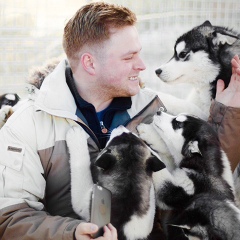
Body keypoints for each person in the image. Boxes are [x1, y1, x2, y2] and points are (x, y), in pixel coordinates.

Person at [0, 2, 240, 240]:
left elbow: (202, 183)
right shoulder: (28, 123)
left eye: (139, 52)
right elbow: (10, 218)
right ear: (90, 63)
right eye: (129, 57)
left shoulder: (156, 109)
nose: (142, 65)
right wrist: (71, 233)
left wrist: (227, 114)